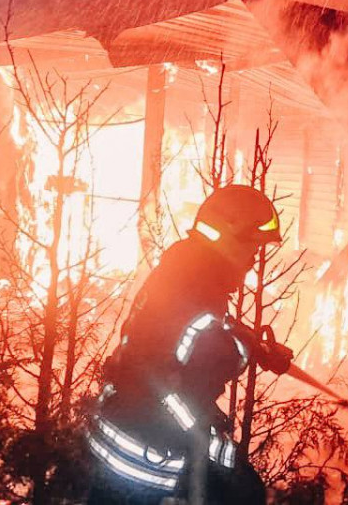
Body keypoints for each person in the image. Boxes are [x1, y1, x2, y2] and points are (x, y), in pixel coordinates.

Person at [87, 185, 294, 504]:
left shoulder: (188, 272)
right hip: (143, 457)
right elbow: (174, 367)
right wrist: (198, 426)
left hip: (125, 431)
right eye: (253, 246)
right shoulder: (194, 288)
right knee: (245, 493)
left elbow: (201, 326)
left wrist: (258, 348)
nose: (254, 259)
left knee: (243, 487)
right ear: (229, 241)